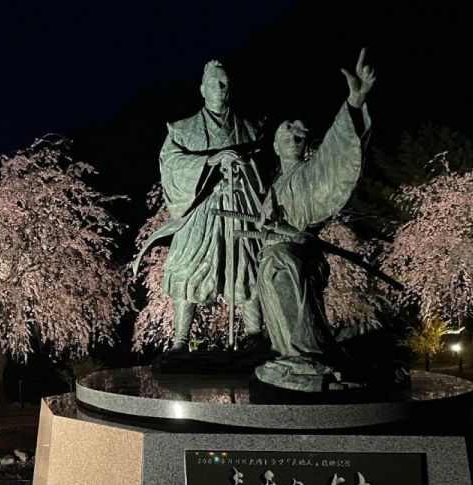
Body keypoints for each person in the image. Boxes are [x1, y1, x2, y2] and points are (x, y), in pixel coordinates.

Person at [254, 49, 375, 389]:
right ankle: (290, 355)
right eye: (287, 136)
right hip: (272, 258)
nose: (294, 139)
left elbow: (336, 156)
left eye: (299, 136)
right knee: (272, 271)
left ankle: (305, 356)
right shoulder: (273, 186)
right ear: (276, 146)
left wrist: (354, 102)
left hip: (295, 256)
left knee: (282, 264)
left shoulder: (310, 173)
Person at [136, 59, 265, 351]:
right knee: (187, 268)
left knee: (246, 268)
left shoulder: (248, 130)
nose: (220, 88)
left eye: (225, 83)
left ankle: (256, 337)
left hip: (239, 205)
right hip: (200, 209)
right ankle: (180, 340)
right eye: (214, 83)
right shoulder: (183, 130)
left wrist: (244, 164)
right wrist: (210, 160)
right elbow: (169, 162)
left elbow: (264, 169)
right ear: (202, 89)